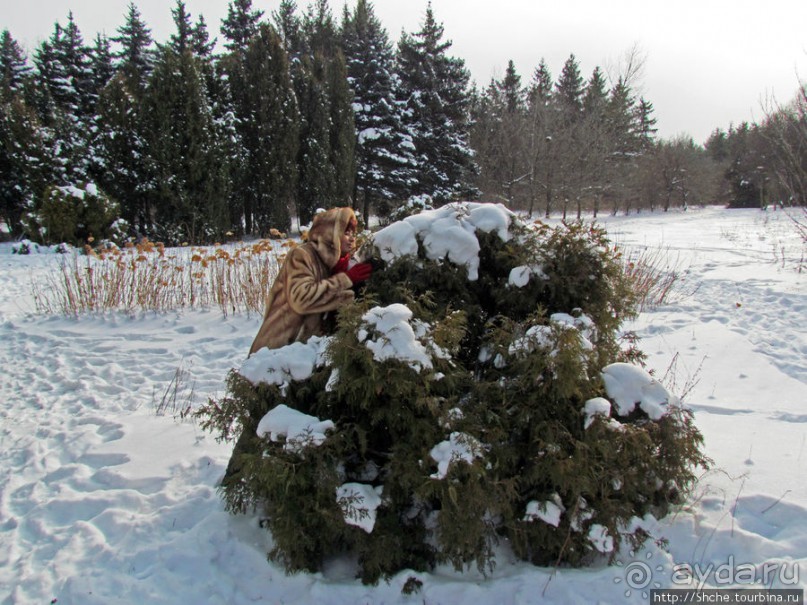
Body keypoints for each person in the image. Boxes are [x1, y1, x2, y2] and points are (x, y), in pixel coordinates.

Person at [248, 206, 372, 356]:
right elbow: (301, 299)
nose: (352, 238)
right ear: (330, 233)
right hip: (279, 347)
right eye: (346, 233)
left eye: (353, 233)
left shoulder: (337, 263)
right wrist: (346, 279)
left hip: (305, 351)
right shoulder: (302, 255)